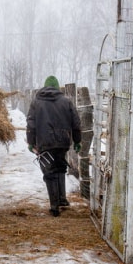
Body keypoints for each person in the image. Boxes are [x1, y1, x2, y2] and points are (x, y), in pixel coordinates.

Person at [26, 76, 82, 216]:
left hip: (45, 143)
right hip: (63, 142)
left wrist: (31, 142)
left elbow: (31, 124)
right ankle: (62, 199)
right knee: (60, 168)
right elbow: (76, 123)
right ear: (57, 87)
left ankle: (54, 206)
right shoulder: (66, 102)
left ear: (45, 87)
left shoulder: (36, 102)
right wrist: (77, 141)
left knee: (49, 172)